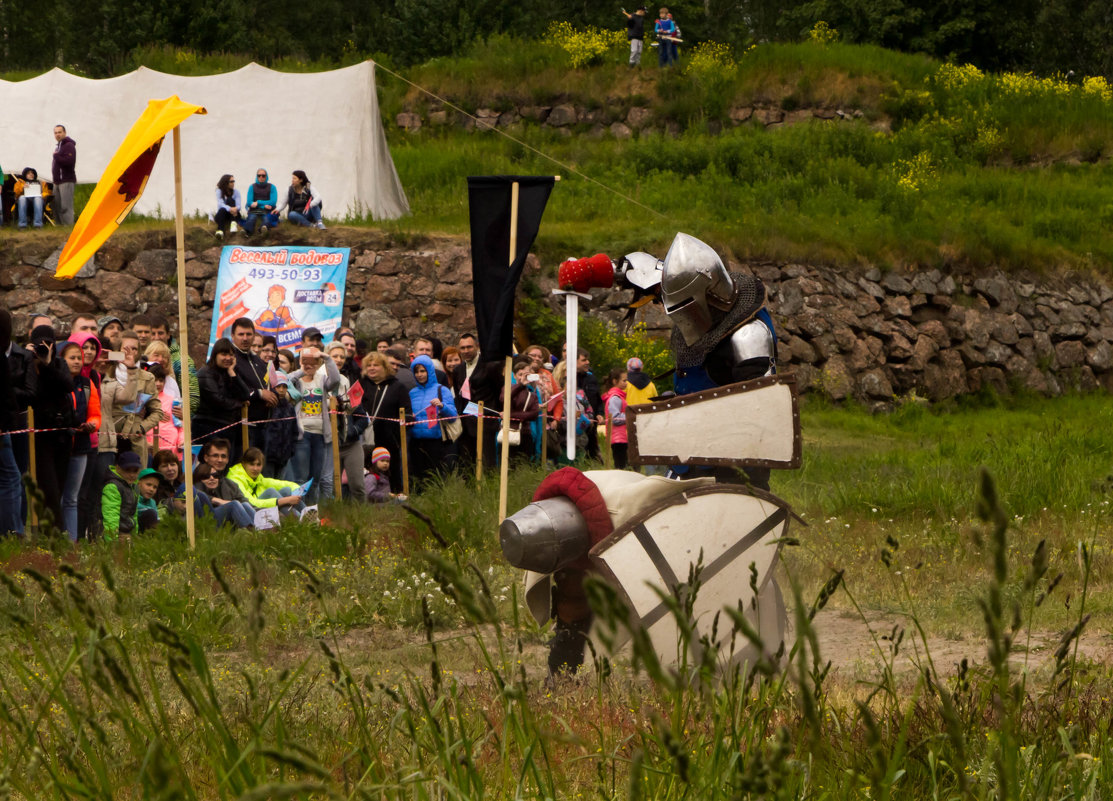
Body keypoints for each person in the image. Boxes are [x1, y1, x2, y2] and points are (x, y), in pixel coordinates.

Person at [27, 325, 74, 529]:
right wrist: (32, 360)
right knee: (50, 490)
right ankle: (58, 537)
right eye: (40, 343)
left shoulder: (59, 363)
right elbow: (32, 393)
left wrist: (47, 364)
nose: (45, 346)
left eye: (49, 342)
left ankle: (49, 534)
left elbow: (67, 385)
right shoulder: (26, 363)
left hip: (61, 434)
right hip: (38, 436)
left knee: (60, 488)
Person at [287, 346, 340, 504]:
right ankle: (298, 510)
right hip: (302, 435)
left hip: (320, 435)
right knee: (300, 478)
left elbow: (335, 381)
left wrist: (327, 358)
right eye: (305, 361)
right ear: (300, 362)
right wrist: (302, 370)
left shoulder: (322, 379)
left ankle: (312, 510)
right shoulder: (296, 381)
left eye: (313, 362)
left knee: (315, 477)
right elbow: (284, 381)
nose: (310, 365)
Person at [60, 339, 100, 541]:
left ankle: (72, 542)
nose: (77, 361)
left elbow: (95, 413)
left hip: (81, 446)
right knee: (58, 494)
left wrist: (92, 424)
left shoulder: (87, 384)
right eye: (72, 358)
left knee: (72, 498)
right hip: (58, 446)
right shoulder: (56, 382)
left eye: (79, 358)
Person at [354, 352, 411, 493]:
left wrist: (396, 431)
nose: (372, 368)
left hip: (390, 439)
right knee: (367, 470)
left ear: (385, 367)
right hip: (366, 437)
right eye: (369, 365)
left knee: (391, 471)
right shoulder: (361, 385)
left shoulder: (398, 387)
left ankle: (395, 497)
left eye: (376, 365)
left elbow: (408, 414)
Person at [194, 338, 252, 463]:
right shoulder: (205, 373)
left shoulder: (230, 373)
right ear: (215, 355)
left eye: (231, 355)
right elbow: (217, 400)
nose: (227, 358)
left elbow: (246, 394)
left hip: (228, 428)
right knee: (209, 467)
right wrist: (239, 404)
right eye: (224, 354)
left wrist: (232, 372)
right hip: (208, 427)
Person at [112, 331, 162, 465]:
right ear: (118, 350)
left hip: (135, 437)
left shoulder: (147, 377)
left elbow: (157, 411)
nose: (130, 353)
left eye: (134, 349)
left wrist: (141, 427)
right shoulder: (108, 372)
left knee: (136, 479)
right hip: (110, 434)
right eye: (126, 349)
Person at [407, 355, 456, 488]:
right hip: (416, 441)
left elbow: (453, 416)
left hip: (436, 441)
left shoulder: (442, 390)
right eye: (416, 372)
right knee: (418, 476)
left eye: (423, 371)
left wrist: (442, 406)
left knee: (436, 476)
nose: (419, 375)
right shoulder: (412, 393)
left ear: (429, 371)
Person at [230, 317, 277, 449]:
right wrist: (260, 394)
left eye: (248, 334)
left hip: (262, 427)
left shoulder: (257, 360)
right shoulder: (231, 358)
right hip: (241, 427)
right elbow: (234, 388)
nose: (245, 338)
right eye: (241, 334)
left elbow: (269, 384)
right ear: (233, 336)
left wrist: (272, 396)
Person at [227, 448, 306, 515]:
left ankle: (311, 517)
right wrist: (282, 501)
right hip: (246, 512)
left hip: (257, 507)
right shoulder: (236, 479)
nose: (255, 468)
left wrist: (300, 489)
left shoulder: (258, 478)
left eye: (258, 465)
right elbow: (251, 503)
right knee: (271, 492)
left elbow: (280, 483)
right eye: (251, 464)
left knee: (287, 490)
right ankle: (299, 521)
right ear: (244, 464)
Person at [148, 314, 199, 418]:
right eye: (153, 333)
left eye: (160, 333)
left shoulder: (182, 360)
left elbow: (192, 395)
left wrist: (183, 414)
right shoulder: (143, 359)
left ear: (168, 335)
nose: (157, 337)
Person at [192, 462, 256, 529]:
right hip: (208, 521)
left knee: (245, 504)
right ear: (199, 478)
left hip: (227, 523)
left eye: (215, 475)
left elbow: (243, 500)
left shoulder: (227, 485)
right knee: (234, 504)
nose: (212, 478)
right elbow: (195, 493)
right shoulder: (196, 487)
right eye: (206, 476)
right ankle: (251, 531)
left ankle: (260, 528)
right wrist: (215, 499)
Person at [262, 370, 299, 479]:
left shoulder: (289, 407)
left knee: (280, 481)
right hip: (268, 453)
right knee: (268, 481)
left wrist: (291, 449)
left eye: (284, 387)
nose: (282, 390)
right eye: (278, 386)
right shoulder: (267, 406)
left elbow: (294, 430)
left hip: (284, 454)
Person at [506, 358, 541, 462]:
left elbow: (534, 414)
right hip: (510, 431)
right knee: (509, 461)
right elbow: (505, 400)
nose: (523, 377)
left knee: (525, 461)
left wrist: (511, 415)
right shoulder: (507, 388)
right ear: (514, 375)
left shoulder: (533, 392)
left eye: (526, 375)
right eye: (520, 374)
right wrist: (520, 385)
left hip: (527, 431)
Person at [101, 451, 141, 541]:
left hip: (127, 534)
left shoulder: (134, 486)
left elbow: (134, 515)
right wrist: (112, 543)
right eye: (127, 470)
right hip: (115, 537)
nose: (132, 474)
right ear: (118, 468)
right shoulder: (112, 487)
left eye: (135, 471)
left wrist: (134, 537)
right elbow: (110, 518)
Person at [601, 368, 629, 469]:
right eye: (624, 380)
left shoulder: (619, 397)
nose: (626, 383)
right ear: (615, 381)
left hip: (622, 437)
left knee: (623, 467)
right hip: (618, 439)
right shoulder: (615, 398)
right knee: (621, 468)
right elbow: (615, 418)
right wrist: (630, 416)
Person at [52, 124, 77, 225]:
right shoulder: (59, 146)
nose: (57, 134)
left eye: (59, 132)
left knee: (66, 206)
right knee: (56, 205)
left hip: (66, 180)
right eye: (55, 133)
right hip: (57, 181)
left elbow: (69, 161)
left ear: (64, 133)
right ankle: (60, 227)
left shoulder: (69, 146)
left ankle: (68, 227)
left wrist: (57, 156)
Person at [243, 168, 277, 236]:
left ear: (266, 176)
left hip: (267, 210)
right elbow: (249, 202)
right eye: (259, 175)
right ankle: (247, 233)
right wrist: (263, 205)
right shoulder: (252, 187)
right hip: (254, 210)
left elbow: (273, 202)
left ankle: (262, 230)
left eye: (263, 175)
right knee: (251, 218)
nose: (261, 177)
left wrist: (258, 202)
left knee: (267, 219)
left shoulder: (272, 187)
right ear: (257, 176)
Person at [213, 174, 244, 239]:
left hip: (234, 215)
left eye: (233, 181)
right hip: (223, 214)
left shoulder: (236, 192)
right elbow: (220, 203)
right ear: (226, 182)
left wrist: (235, 208)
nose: (233, 183)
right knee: (222, 209)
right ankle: (220, 231)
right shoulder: (219, 191)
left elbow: (239, 206)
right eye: (231, 182)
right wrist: (230, 209)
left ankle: (233, 224)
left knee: (230, 200)